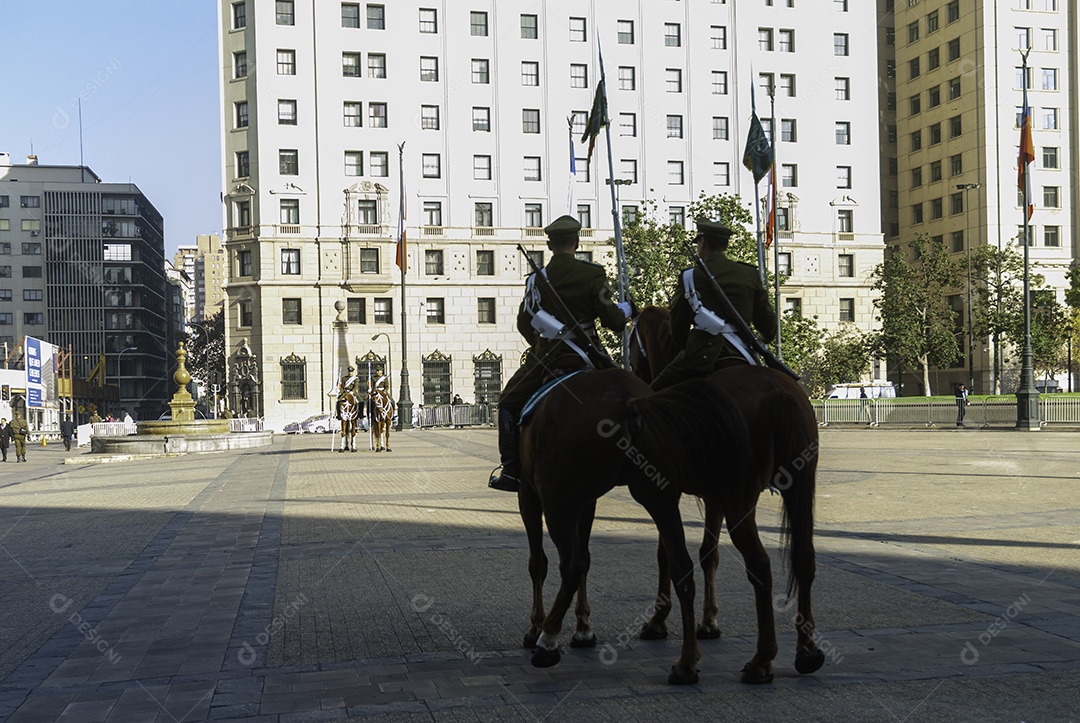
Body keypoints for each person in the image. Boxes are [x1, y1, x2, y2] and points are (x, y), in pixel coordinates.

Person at [489, 214, 632, 492]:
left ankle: (511, 470)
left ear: (550, 244)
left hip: (547, 357)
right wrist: (627, 309)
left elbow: (524, 322)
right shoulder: (593, 274)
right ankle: (635, 460)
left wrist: (541, 343)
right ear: (577, 243)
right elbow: (613, 321)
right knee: (629, 395)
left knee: (507, 403)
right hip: (589, 354)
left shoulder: (536, 279)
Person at [650, 218, 777, 391]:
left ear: (702, 243)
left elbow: (678, 327)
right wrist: (762, 341)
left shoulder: (690, 276)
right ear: (725, 246)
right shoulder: (749, 274)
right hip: (744, 354)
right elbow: (768, 324)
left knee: (651, 394)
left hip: (700, 357)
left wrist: (686, 346)